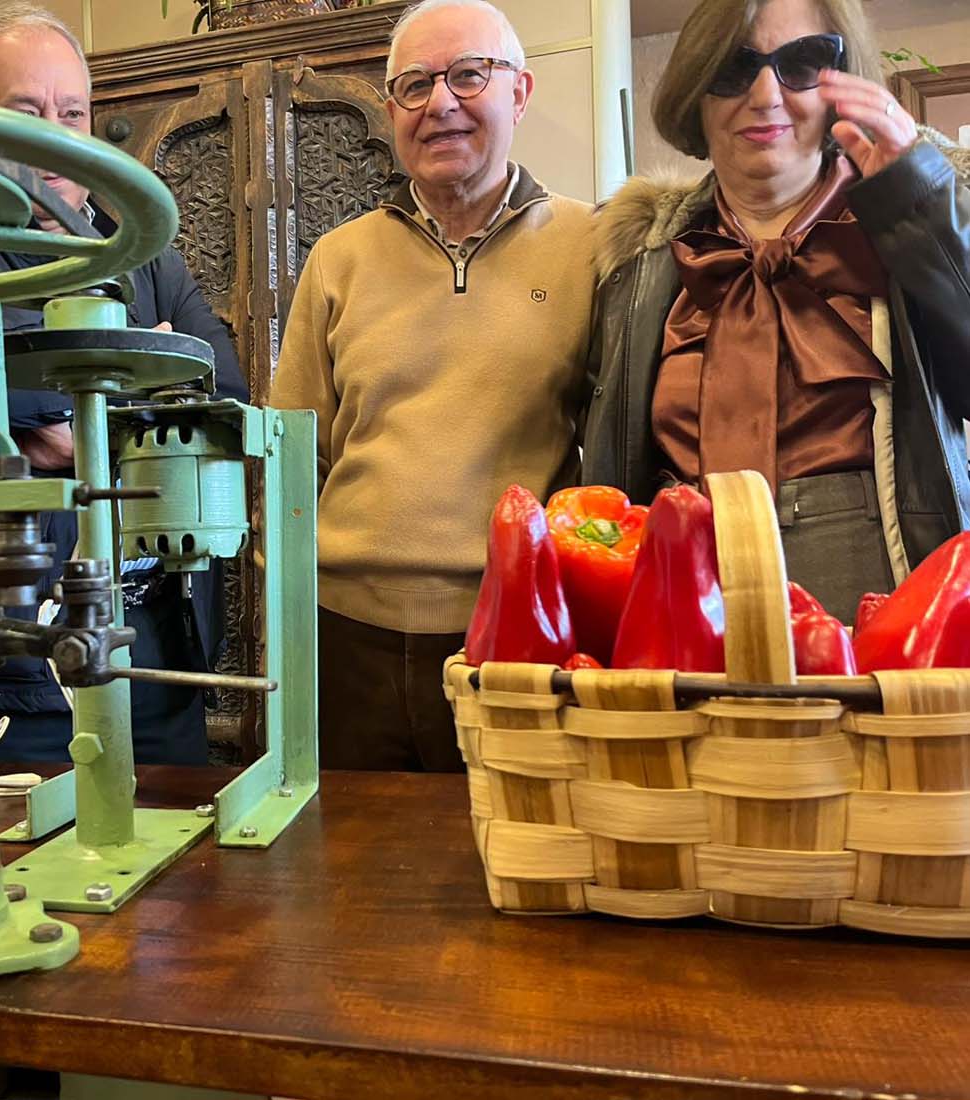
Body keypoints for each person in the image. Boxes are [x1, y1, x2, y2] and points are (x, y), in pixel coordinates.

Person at [269, 0, 595, 772]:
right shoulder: (337, 259)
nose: (440, 103)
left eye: (468, 76)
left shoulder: (594, 246)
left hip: (518, 636)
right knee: (346, 872)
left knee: (511, 865)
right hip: (343, 636)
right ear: (390, 110)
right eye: (413, 85)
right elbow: (288, 457)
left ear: (518, 93)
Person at [584, 0, 970, 623]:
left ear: (842, 87)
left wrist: (921, 208)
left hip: (876, 600)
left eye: (803, 62)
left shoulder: (917, 230)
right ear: (696, 95)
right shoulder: (636, 261)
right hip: (677, 593)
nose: (766, 95)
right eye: (734, 69)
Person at [0, 2, 249, 764]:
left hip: (159, 657)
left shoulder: (143, 254)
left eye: (71, 113)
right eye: (25, 111)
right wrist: (141, 386)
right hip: (9, 673)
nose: (54, 136)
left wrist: (54, 407)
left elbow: (229, 392)